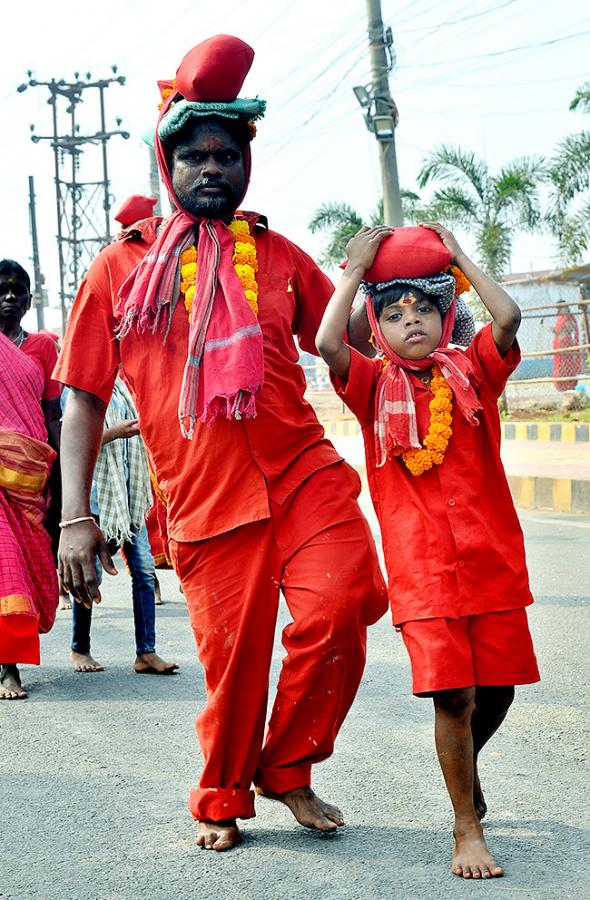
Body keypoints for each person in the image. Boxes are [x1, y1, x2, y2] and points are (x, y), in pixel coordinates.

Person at [54, 35, 387, 851]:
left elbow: (347, 351)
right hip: (205, 495)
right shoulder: (118, 271)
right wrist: (74, 514)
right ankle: (221, 795)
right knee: (234, 666)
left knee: (343, 605)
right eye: (196, 156)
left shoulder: (277, 255)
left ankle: (290, 765)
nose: (213, 169)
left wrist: (393, 332)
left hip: (304, 473)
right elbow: (83, 397)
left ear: (246, 164)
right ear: (167, 168)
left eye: (227, 155)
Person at [316, 222, 540, 880]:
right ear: (377, 329)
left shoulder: (474, 371)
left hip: (492, 561)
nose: (409, 319)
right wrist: (356, 271)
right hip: (424, 572)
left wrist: (461, 257)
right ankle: (465, 827)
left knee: (497, 690)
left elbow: (510, 314)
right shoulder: (369, 388)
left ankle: (465, 775)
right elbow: (329, 341)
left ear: (446, 320)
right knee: (454, 698)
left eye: (424, 308)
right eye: (394, 312)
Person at [61, 378, 178, 675]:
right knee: (91, 575)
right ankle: (79, 648)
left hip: (129, 498)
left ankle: (146, 653)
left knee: (144, 571)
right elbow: (71, 442)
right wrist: (115, 433)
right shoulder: (77, 392)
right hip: (98, 500)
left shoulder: (122, 387)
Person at [0, 260, 59, 699]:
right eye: (1, 289)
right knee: (9, 571)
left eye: (18, 290)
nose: (9, 297)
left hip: (34, 475)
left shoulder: (43, 346)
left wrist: (66, 475)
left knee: (35, 567)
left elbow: (53, 412)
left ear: (29, 300)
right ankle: (9, 668)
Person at [552, 301, 582, 391]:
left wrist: (562, 331)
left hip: (566, 342)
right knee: (560, 364)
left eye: (560, 308)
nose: (559, 310)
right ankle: (561, 385)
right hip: (558, 343)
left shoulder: (570, 318)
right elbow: (558, 330)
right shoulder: (560, 318)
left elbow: (570, 329)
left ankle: (569, 384)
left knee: (567, 363)